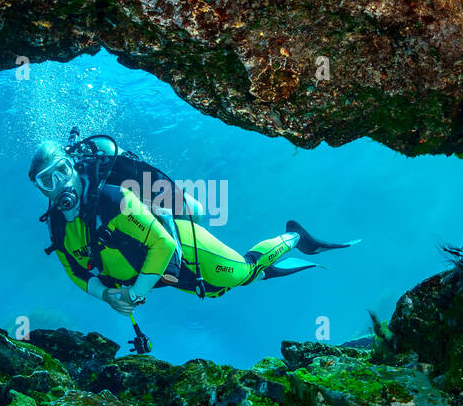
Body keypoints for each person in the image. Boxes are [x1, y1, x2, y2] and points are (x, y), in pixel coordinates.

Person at [29, 134, 357, 315]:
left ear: (72, 166)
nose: (58, 184)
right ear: (39, 188)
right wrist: (107, 296)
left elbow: (164, 244)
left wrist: (135, 295)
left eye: (61, 171)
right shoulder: (57, 226)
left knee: (243, 273)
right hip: (155, 273)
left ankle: (296, 237)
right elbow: (76, 270)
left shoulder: (114, 200)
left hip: (184, 247)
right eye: (47, 181)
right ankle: (277, 261)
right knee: (215, 292)